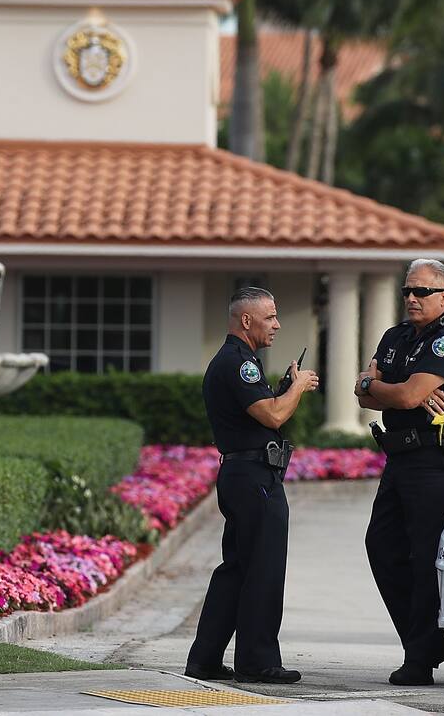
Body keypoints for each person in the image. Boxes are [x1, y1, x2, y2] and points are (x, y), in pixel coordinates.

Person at [185, 287, 319, 684]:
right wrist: (298, 387)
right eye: (270, 317)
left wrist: (281, 390)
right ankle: (258, 662)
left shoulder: (237, 362)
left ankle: (205, 659)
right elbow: (273, 417)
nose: (277, 325)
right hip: (254, 478)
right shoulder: (239, 362)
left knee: (237, 570)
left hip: (242, 476)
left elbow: (261, 411)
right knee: (262, 569)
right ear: (247, 320)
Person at [355, 259, 444, 686]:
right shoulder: (396, 337)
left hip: (435, 461)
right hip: (400, 457)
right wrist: (384, 390)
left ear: (443, 297)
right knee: (381, 546)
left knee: (423, 558)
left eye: (421, 292)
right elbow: (366, 392)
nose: (411, 298)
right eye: (408, 291)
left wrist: (385, 389)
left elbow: (401, 394)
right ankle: (428, 641)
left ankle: (419, 658)